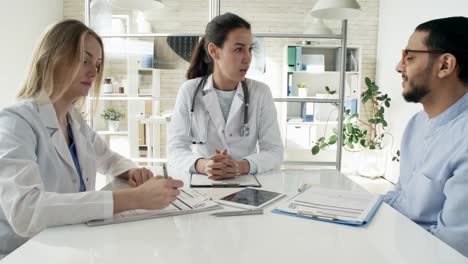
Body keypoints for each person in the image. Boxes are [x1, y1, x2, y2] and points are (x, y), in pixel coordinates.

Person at [0, 19, 183, 258]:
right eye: (84, 60)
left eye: (96, 64)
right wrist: (133, 198)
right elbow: (26, 212)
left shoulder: (73, 119)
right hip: (26, 252)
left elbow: (107, 157)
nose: (94, 72)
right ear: (51, 58)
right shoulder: (15, 122)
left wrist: (131, 172)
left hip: (71, 243)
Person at [384, 16, 468, 257]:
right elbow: (401, 197)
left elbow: (452, 249)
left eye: (409, 58)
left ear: (445, 65)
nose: (399, 67)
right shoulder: (416, 124)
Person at [167, 13, 283, 179]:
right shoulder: (189, 91)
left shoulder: (261, 93)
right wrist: (205, 165)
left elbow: (274, 151)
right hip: (202, 181)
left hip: (246, 181)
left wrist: (240, 166)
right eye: (238, 49)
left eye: (250, 49)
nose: (248, 58)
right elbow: (175, 149)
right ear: (214, 51)